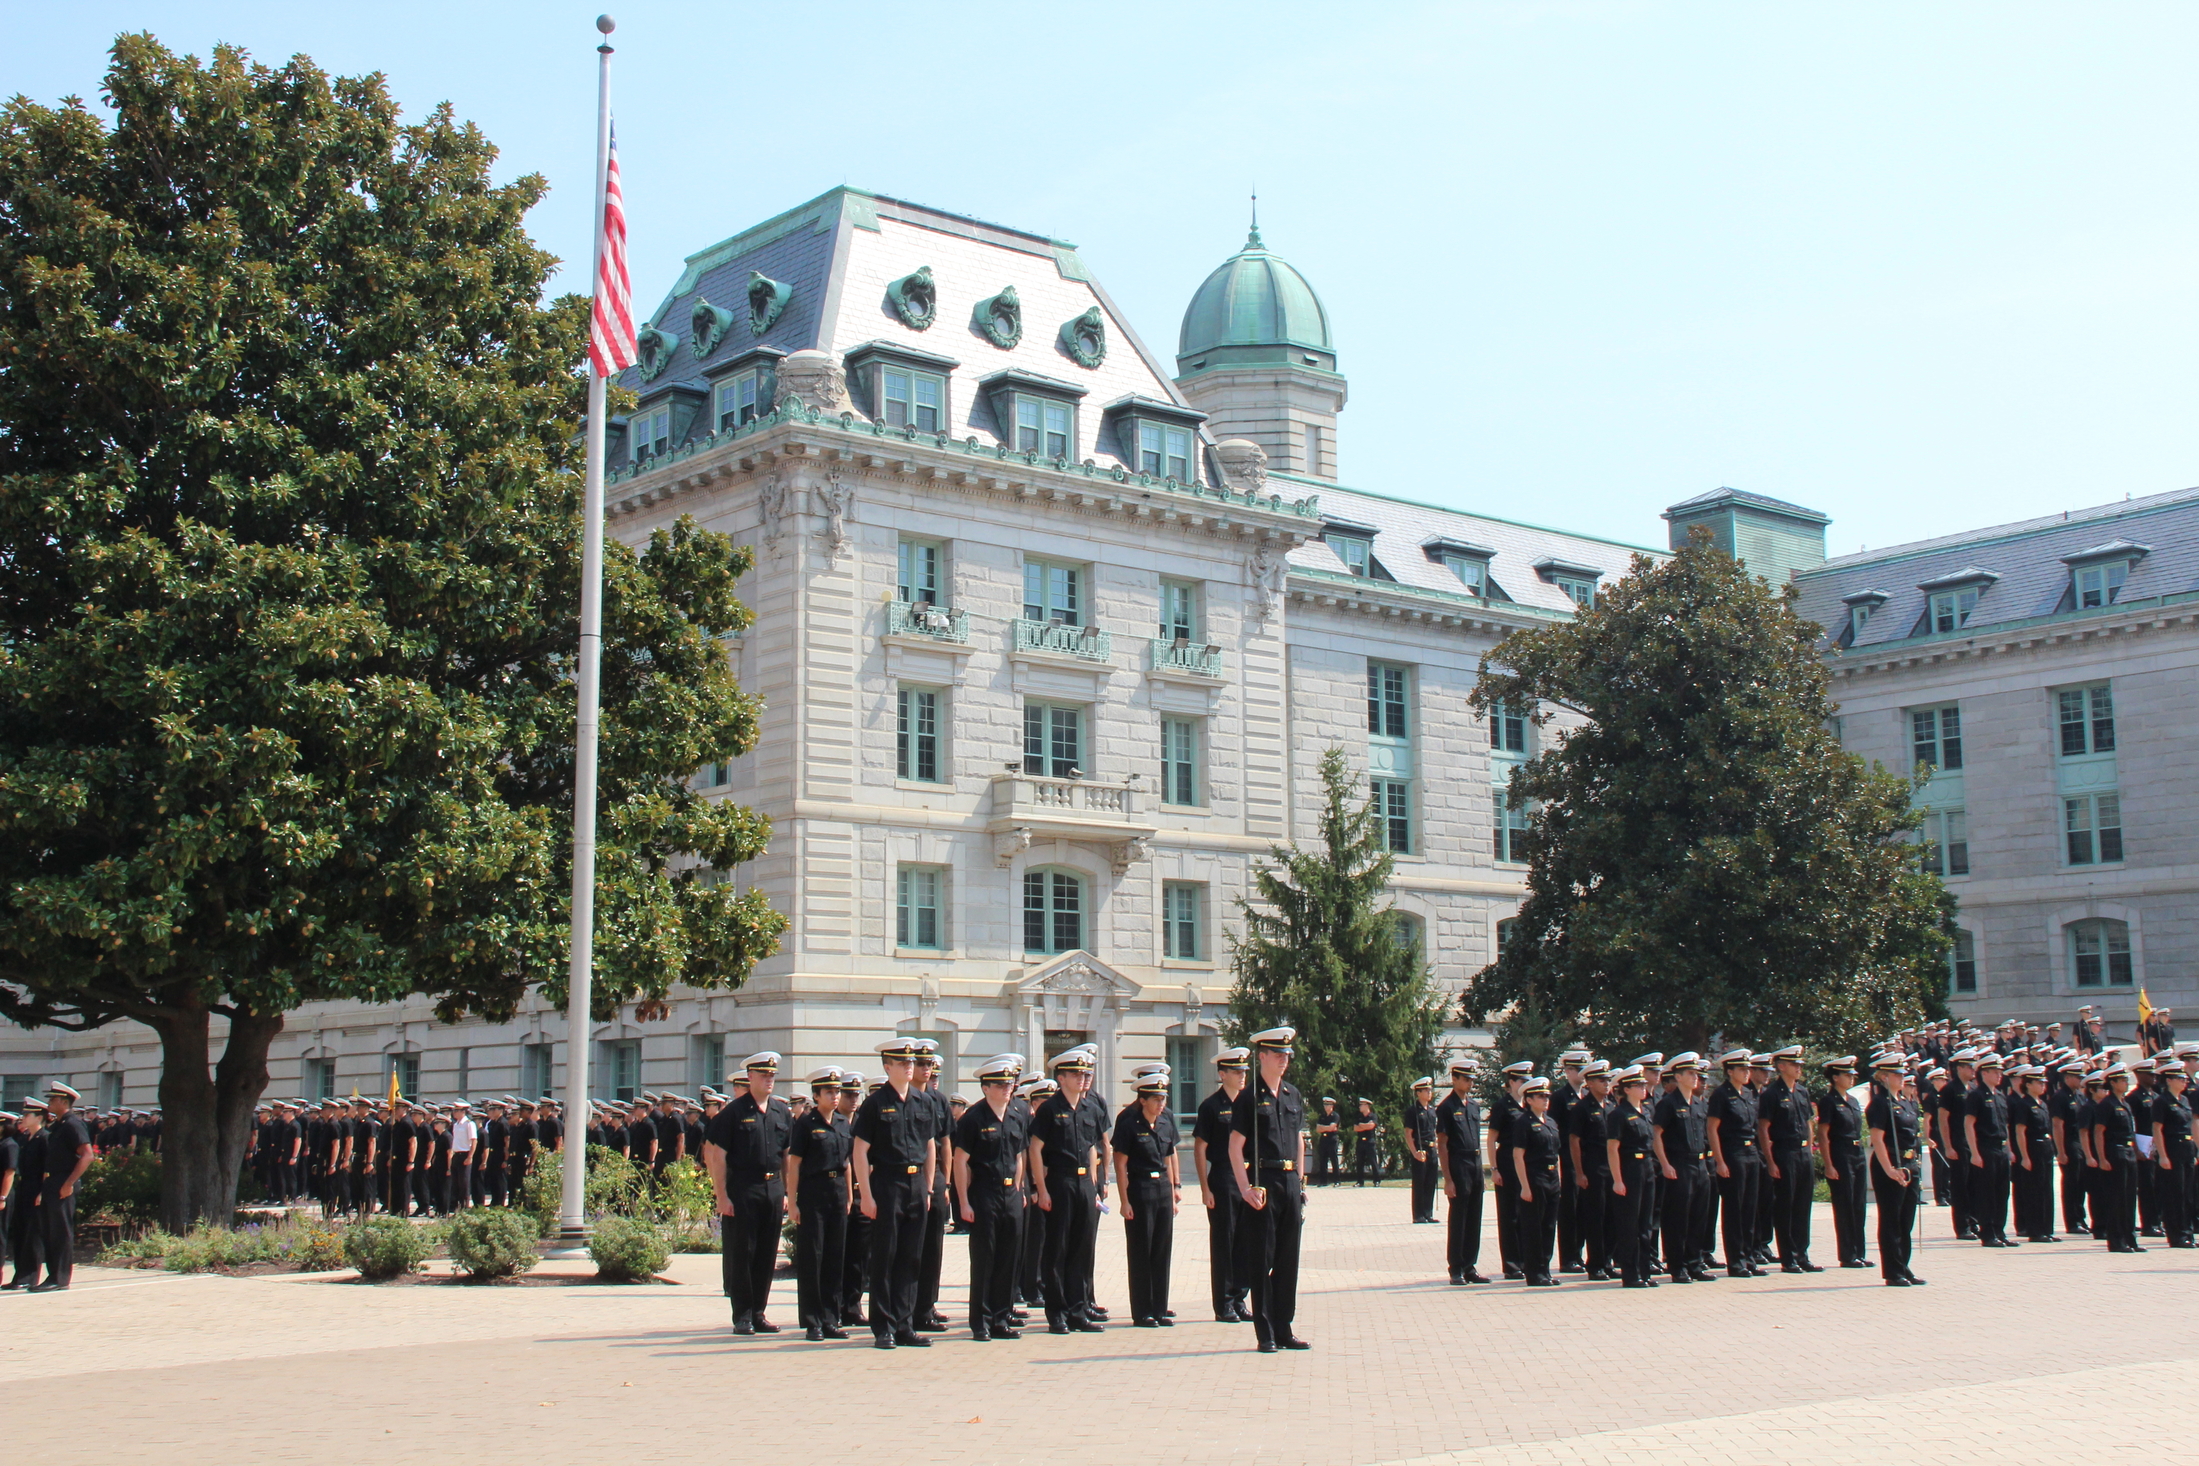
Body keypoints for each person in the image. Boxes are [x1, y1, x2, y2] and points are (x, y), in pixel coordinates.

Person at [852, 1039, 936, 1349]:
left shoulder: (922, 1101)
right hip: (887, 1184)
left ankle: (905, 1324)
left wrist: (928, 1188)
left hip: (916, 1185)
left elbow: (929, 1146)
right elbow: (860, 1151)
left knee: (911, 1257)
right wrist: (867, 1194)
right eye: (902, 1062)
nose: (909, 1066)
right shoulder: (875, 1104)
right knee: (885, 1256)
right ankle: (883, 1327)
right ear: (887, 1066)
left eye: (911, 1061)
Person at [1229, 1025, 1308, 1353]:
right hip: (1264, 1183)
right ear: (1261, 1057)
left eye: (1286, 1055)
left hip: (1290, 1183)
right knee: (1263, 1260)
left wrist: (1302, 1182)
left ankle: (1283, 1325)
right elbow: (1235, 1147)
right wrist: (1246, 1188)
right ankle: (1265, 1332)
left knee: (1288, 1259)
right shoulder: (1249, 1098)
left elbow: (1300, 1140)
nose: (1283, 1061)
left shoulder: (1292, 1094)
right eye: (1277, 1055)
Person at [706, 1052, 792, 1334]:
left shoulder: (781, 1111)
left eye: (772, 1076)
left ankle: (759, 1311)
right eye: (764, 1075)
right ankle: (742, 1314)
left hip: (773, 1187)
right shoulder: (734, 1112)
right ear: (750, 1077)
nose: (769, 1080)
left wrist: (788, 1191)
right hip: (744, 1187)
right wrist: (721, 1195)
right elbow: (718, 1157)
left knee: (767, 1253)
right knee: (743, 1251)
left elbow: (787, 1155)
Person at [1028, 1048, 1106, 1334]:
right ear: (1061, 1078)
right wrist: (1041, 1188)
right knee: (1057, 1249)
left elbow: (1093, 1150)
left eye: (1085, 1073)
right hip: (1059, 1182)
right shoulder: (1049, 1109)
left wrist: (1095, 1188)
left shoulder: (1091, 1109)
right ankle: (1057, 1313)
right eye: (1075, 1073)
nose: (1082, 1078)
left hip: (1084, 1184)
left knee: (1081, 1249)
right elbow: (1035, 1149)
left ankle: (1078, 1309)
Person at [953, 1055, 1028, 1341]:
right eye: (999, 1084)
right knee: (985, 1259)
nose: (1006, 1088)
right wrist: (963, 1202)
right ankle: (980, 1322)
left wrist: (1019, 1188)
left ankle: (1001, 1317)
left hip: (1011, 1194)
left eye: (1009, 1083)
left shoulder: (1017, 1113)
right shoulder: (974, 1118)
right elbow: (961, 1162)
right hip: (984, 1192)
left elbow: (1020, 1154)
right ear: (985, 1087)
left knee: (1009, 1259)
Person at [786, 1065, 854, 1341]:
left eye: (837, 1091)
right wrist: (793, 1202)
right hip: (813, 1191)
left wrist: (849, 1196)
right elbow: (795, 1164)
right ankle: (813, 1321)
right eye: (829, 1091)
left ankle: (831, 1318)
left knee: (835, 1257)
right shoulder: (805, 1124)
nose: (835, 1096)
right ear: (816, 1095)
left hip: (837, 1190)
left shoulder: (842, 1123)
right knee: (813, 1257)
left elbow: (847, 1163)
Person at [1113, 1068, 1181, 1327]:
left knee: (1161, 1251)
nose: (1161, 1104)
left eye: (1163, 1099)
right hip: (1140, 1189)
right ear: (1143, 1100)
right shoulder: (1130, 1124)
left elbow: (1168, 1155)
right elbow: (1121, 1164)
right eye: (1156, 1099)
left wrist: (1175, 1189)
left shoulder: (1165, 1122)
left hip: (1162, 1188)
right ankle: (1142, 1311)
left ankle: (1160, 1308)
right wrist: (1124, 1200)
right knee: (1141, 1250)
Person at [1193, 1047, 1252, 1320]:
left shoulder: (1250, 1103)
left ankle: (1241, 1298)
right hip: (1223, 1178)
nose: (1242, 1077)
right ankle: (1224, 1303)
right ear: (1222, 1074)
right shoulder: (1211, 1106)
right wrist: (1205, 1188)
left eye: (1244, 1072)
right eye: (1236, 1072)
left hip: (1249, 1178)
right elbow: (1200, 1148)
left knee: (1245, 1241)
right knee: (1224, 1241)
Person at [1652, 1053, 1714, 1284]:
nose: (1695, 1077)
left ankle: (1695, 1263)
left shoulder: (1698, 1104)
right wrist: (1665, 1164)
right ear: (1677, 1076)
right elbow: (1656, 1134)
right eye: (1690, 1073)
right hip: (1678, 1164)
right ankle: (1677, 1266)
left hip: (1699, 1164)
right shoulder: (1668, 1104)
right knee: (1677, 1217)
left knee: (1699, 1216)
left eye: (1696, 1073)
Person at [1759, 1045, 1820, 1272]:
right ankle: (1788, 1256)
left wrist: (1810, 1147)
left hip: (1804, 1152)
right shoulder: (1772, 1094)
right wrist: (1771, 1160)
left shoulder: (1802, 1092)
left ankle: (1802, 1253)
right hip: (1784, 1152)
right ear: (1781, 1066)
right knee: (1786, 1205)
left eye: (1799, 1065)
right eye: (1794, 1065)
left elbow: (1808, 1121)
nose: (1798, 1069)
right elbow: (1764, 1128)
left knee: (1803, 1205)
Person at [1865, 1053, 1924, 1286]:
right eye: (1897, 1074)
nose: (1902, 1078)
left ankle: (1903, 1265)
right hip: (1891, 1165)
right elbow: (1877, 1139)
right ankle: (1892, 1271)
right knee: (1891, 1220)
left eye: (1902, 1074)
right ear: (1884, 1077)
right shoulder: (1880, 1104)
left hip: (1909, 1165)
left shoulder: (1905, 1101)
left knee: (1905, 1221)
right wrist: (1889, 1168)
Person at [1706, 1049, 1763, 1278]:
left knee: (1750, 1209)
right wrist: (1719, 1160)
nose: (1746, 1072)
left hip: (1751, 1154)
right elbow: (1712, 1128)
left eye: (1748, 1068)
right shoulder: (1721, 1095)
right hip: (1733, 1153)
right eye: (1741, 1069)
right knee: (1734, 1210)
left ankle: (1748, 1257)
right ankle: (1736, 1261)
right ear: (1730, 1071)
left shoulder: (1749, 1094)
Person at [32, 1082, 94, 1291]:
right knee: (49, 1230)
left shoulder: (72, 1124)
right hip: (53, 1181)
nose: (49, 1103)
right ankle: (52, 1276)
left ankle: (60, 1278)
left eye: (52, 1099)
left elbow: (87, 1155)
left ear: (63, 1101)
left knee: (60, 1231)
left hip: (64, 1181)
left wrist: (69, 1183)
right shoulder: (57, 1125)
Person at [910, 1042, 954, 1333]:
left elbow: (947, 1142)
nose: (927, 1070)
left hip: (935, 1176)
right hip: (911, 1177)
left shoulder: (939, 1100)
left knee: (933, 1247)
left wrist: (946, 1183)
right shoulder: (905, 1097)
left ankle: (928, 1304)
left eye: (930, 1066)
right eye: (922, 1065)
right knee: (911, 1246)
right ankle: (910, 1306)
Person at [1434, 1055, 1489, 1285]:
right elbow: (1443, 1144)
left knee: (1474, 1217)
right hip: (1458, 1164)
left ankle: (1470, 1265)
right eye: (1465, 1079)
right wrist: (1447, 1179)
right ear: (1454, 1079)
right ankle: (1455, 1267)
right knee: (1459, 1217)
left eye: (1472, 1080)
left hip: (1475, 1164)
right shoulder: (1447, 1107)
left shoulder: (1474, 1106)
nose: (1470, 1083)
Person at [1603, 1066, 1657, 1287]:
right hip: (1629, 1169)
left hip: (1647, 1167)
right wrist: (1617, 1179)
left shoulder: (1645, 1111)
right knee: (1629, 1224)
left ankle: (1645, 1271)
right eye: (1638, 1085)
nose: (1643, 1088)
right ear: (1626, 1089)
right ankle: (1630, 1274)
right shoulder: (1618, 1114)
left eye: (1644, 1084)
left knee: (1646, 1223)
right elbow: (1613, 1148)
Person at [1814, 1056, 1870, 1268]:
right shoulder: (1829, 1102)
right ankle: (1847, 1254)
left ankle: (1859, 1251)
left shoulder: (1853, 1101)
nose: (1851, 1079)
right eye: (1847, 1075)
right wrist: (1828, 1164)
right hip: (1841, 1154)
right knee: (1845, 1205)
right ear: (1835, 1077)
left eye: (1852, 1075)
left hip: (1857, 1153)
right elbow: (1823, 1134)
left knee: (1859, 1204)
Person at [1510, 1076, 1563, 1286]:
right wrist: (1524, 1185)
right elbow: (1518, 1155)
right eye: (1540, 1096)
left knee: (1549, 1226)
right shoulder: (1523, 1122)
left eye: (1546, 1096)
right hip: (1534, 1177)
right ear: (1529, 1099)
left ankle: (1545, 1269)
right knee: (1534, 1227)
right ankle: (1534, 1272)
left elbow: (1556, 1153)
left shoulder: (1550, 1122)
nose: (1545, 1100)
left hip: (1551, 1178)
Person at [1964, 1054, 2015, 1247]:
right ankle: (1988, 1233)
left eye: (2000, 1072)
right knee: (1987, 1193)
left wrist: (2009, 1148)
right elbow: (1969, 1124)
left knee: (2002, 1192)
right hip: (1985, 1147)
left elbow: (2005, 1125)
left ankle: (1999, 1230)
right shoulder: (1976, 1095)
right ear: (1983, 1073)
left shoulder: (2000, 1095)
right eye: (1994, 1072)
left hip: (2001, 1148)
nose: (1999, 1075)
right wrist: (1974, 1152)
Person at [1568, 1060, 1613, 1280]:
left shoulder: (1611, 1106)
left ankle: (1608, 1260)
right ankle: (1595, 1264)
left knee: (1611, 1216)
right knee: (1595, 1216)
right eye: (1602, 1081)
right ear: (1590, 1083)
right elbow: (1574, 1140)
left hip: (1611, 1168)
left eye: (1608, 1080)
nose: (1607, 1084)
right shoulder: (1582, 1108)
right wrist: (1579, 1172)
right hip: (1593, 1167)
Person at [2090, 1064, 2141, 1252]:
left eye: (2126, 1080)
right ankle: (2116, 1240)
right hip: (2115, 1152)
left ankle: (2130, 1238)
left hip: (2128, 1152)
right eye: (2122, 1080)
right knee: (2116, 1199)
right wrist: (2102, 1158)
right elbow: (2098, 1132)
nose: (2126, 1083)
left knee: (2129, 1198)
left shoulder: (2124, 1103)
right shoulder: (2107, 1104)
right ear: (2112, 1082)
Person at [1488, 1060, 1531, 1279]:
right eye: (1522, 1080)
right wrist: (1494, 1168)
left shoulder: (1530, 1103)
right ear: (1512, 1082)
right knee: (1509, 1215)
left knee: (1526, 1214)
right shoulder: (1502, 1106)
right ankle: (1512, 1265)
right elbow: (1492, 1139)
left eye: (1528, 1080)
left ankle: (1526, 1260)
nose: (1525, 1084)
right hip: (1506, 1161)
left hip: (1526, 1162)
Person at [834, 1070, 870, 1328]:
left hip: (861, 1194)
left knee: (859, 1255)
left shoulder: (862, 1121)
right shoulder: (832, 1121)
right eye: (848, 1094)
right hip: (837, 1195)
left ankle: (853, 1305)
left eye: (857, 1094)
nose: (853, 1099)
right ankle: (834, 1306)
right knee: (838, 1254)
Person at [2009, 1064, 2058, 1243]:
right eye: (2038, 1082)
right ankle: (2035, 1230)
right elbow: (2020, 1131)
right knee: (2034, 1191)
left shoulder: (2042, 1103)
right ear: (2028, 1084)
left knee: (2046, 1189)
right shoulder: (2024, 1104)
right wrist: (2024, 1156)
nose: (2042, 1086)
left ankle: (2047, 1228)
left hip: (2045, 1149)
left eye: (2043, 1082)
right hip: (2032, 1148)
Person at [2151, 1056, 2195, 1248]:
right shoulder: (2162, 1101)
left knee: (2187, 1193)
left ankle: (2187, 1232)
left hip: (2187, 1148)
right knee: (2174, 1193)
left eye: (2185, 1078)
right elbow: (2157, 1129)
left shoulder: (2184, 1099)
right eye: (2180, 1078)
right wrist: (2162, 1155)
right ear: (2168, 1080)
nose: (2184, 1082)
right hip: (2172, 1148)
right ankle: (2176, 1235)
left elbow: (2191, 1125)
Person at [2, 1101, 44, 1289]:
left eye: (28, 1115)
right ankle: (20, 1276)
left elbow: (46, 1168)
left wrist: (42, 1192)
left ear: (39, 1118)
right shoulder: (26, 1138)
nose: (24, 1118)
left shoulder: (44, 1138)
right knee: (20, 1234)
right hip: (24, 1188)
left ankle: (30, 1276)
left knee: (32, 1234)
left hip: (35, 1189)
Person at [2049, 1058, 2089, 1237]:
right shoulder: (2060, 1097)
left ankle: (2080, 1218)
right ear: (2067, 1077)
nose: (2080, 1080)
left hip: (2080, 1142)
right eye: (2077, 1077)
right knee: (2072, 1183)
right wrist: (2061, 1151)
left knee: (2081, 1182)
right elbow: (2057, 1125)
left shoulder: (2080, 1096)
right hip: (2069, 1142)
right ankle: (2072, 1221)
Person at [1404, 1077, 1439, 1224]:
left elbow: (1435, 1131)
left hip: (1432, 1148)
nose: (1429, 1093)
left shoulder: (1432, 1111)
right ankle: (1418, 1215)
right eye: (1426, 1090)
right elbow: (1408, 1134)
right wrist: (1414, 1152)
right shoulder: (1413, 1111)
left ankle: (1428, 1213)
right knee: (1420, 1182)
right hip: (1420, 1148)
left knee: (1431, 1181)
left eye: (1430, 1090)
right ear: (1418, 1093)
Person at [1313, 1097, 1341, 1185]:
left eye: (1327, 1104)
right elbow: (1318, 1129)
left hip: (1332, 1139)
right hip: (1323, 1139)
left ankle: (1337, 1181)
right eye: (1324, 1104)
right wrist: (1327, 1128)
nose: (1325, 1106)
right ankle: (1323, 1181)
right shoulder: (1322, 1116)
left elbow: (1332, 1127)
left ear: (1332, 1105)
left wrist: (1324, 1128)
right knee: (1323, 1160)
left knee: (1334, 1160)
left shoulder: (1335, 1116)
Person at [1351, 1098, 1379, 1187]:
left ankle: (1376, 1180)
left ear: (1366, 1106)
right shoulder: (1359, 1116)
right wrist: (1365, 1126)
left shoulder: (1373, 1116)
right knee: (1359, 1162)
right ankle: (1360, 1181)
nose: (1359, 1107)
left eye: (1361, 1105)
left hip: (1370, 1141)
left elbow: (1372, 1126)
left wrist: (1362, 1125)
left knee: (1373, 1161)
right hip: (1360, 1141)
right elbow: (1355, 1128)